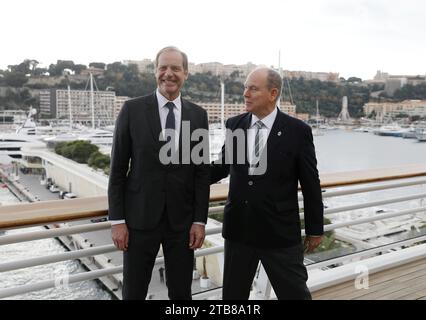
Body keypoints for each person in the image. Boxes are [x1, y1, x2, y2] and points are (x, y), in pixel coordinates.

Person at [210, 67, 324, 300]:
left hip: (279, 233)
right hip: (239, 230)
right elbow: (221, 166)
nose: (245, 93)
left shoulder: (298, 131)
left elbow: (311, 183)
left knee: (295, 296)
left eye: (253, 88)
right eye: (245, 88)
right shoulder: (235, 125)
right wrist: (184, 173)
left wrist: (315, 228)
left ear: (273, 93)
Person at [108, 46, 210, 300]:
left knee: (181, 293)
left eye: (175, 68)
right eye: (163, 67)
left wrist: (200, 220)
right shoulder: (131, 110)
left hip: (182, 224)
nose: (169, 74)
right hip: (138, 221)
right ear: (155, 71)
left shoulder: (198, 115)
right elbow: (118, 170)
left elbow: (200, 173)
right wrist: (117, 221)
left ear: (185, 73)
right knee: (134, 293)